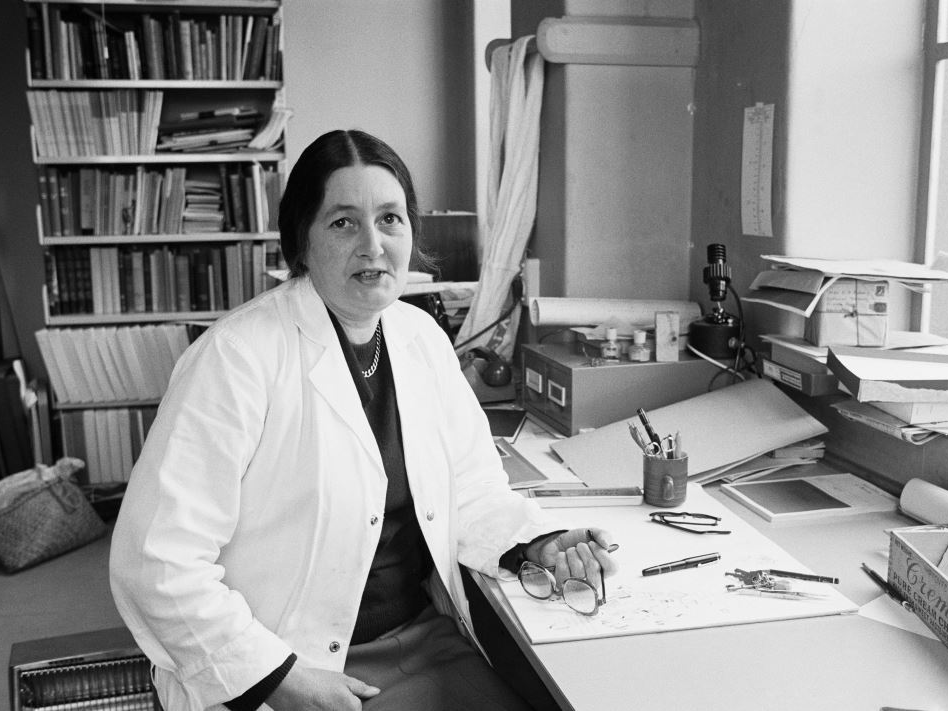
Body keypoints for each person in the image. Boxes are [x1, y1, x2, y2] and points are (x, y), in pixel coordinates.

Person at [109, 129, 618, 711]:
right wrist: (283, 681)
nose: (373, 245)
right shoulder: (235, 358)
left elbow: (472, 491)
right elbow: (156, 560)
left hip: (425, 639)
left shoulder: (420, 338)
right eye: (343, 222)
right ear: (301, 242)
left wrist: (535, 542)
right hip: (286, 662)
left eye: (390, 219)